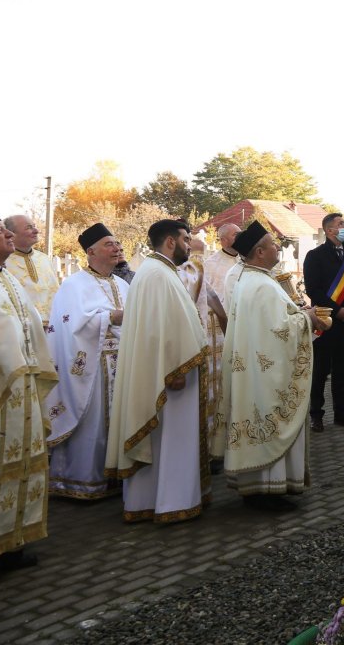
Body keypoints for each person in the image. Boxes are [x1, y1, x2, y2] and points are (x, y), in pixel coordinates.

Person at [213, 221, 329, 510]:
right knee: (269, 419)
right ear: (260, 252)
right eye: (273, 244)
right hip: (264, 375)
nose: (278, 247)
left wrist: (299, 315)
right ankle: (267, 490)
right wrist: (307, 318)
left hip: (254, 370)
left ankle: (260, 489)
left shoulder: (251, 279)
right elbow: (280, 330)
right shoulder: (262, 285)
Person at [105, 219, 211, 523]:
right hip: (169, 375)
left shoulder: (157, 271)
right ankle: (171, 501)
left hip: (162, 370)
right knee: (171, 440)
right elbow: (162, 329)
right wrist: (176, 369)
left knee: (165, 441)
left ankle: (156, 500)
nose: (189, 245)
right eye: (186, 239)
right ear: (170, 242)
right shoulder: (158, 275)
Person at [0, 205, 56, 599]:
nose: (8, 234)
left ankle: (8, 546)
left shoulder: (5, 276)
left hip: (20, 392)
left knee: (19, 468)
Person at [44, 223, 129, 499]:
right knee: (92, 424)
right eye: (109, 244)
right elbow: (70, 326)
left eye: (117, 243)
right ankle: (81, 482)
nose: (116, 248)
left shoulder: (123, 284)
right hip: (91, 367)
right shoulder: (73, 285)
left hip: (122, 362)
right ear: (91, 252)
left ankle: (117, 479)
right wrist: (110, 317)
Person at [302, 213, 344, 430]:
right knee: (320, 372)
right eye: (341, 224)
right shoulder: (315, 256)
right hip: (325, 322)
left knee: (342, 371)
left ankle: (341, 413)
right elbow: (313, 290)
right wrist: (337, 311)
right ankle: (316, 415)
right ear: (329, 230)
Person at [200, 223, 240, 437]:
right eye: (235, 234)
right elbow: (208, 300)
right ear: (223, 240)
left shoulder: (245, 261)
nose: (239, 237)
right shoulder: (210, 265)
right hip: (221, 332)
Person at [3, 214, 61, 327]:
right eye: (29, 227)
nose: (36, 230)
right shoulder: (3, 261)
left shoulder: (44, 259)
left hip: (52, 327)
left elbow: (55, 292)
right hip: (21, 328)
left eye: (34, 226)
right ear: (11, 234)